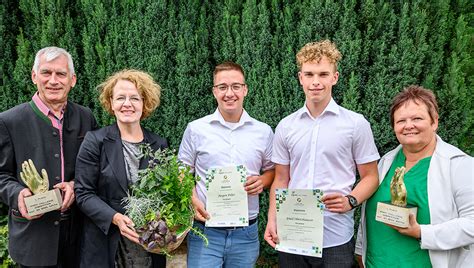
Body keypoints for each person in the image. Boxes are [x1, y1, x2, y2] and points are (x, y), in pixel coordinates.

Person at [264, 40, 380, 267]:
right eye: (309, 74)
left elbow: (371, 176)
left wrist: (351, 200)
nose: (316, 82)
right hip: (293, 233)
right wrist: (272, 219)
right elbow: (280, 178)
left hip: (335, 235)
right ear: (300, 78)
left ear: (334, 78)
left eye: (323, 74)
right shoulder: (286, 126)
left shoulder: (356, 124)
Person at [355, 85, 474, 267]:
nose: (408, 126)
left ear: (434, 122)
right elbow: (369, 216)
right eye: (401, 121)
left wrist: (421, 232)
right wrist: (360, 253)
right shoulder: (386, 162)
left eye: (417, 118)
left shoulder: (459, 165)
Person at [0, 46, 97, 267]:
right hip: (34, 237)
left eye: (61, 74)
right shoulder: (9, 121)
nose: (53, 80)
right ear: (34, 76)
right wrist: (17, 194)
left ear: (72, 80)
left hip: (77, 234)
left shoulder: (85, 117)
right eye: (46, 72)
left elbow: (94, 167)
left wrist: (75, 184)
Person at [178, 61, 275, 267]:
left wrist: (263, 181)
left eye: (236, 86)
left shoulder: (263, 131)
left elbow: (272, 170)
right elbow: (182, 170)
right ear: (214, 91)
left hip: (245, 234)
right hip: (206, 230)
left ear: (245, 89)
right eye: (222, 87)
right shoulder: (196, 129)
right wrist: (192, 198)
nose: (229, 93)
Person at [74, 70, 168, 268]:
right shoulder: (95, 141)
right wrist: (114, 218)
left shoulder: (159, 145)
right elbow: (83, 193)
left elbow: (166, 196)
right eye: (120, 98)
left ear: (145, 103)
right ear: (111, 103)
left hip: (147, 246)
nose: (127, 104)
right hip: (105, 243)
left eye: (135, 98)